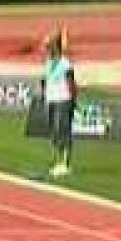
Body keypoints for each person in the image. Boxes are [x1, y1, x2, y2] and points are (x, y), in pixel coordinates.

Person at [41, 31, 77, 177]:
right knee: (54, 132)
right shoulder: (48, 63)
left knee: (63, 130)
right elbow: (45, 80)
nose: (46, 49)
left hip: (63, 99)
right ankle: (58, 161)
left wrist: (72, 100)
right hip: (51, 99)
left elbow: (71, 83)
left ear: (54, 47)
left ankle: (66, 163)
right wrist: (44, 95)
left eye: (48, 46)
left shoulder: (65, 64)